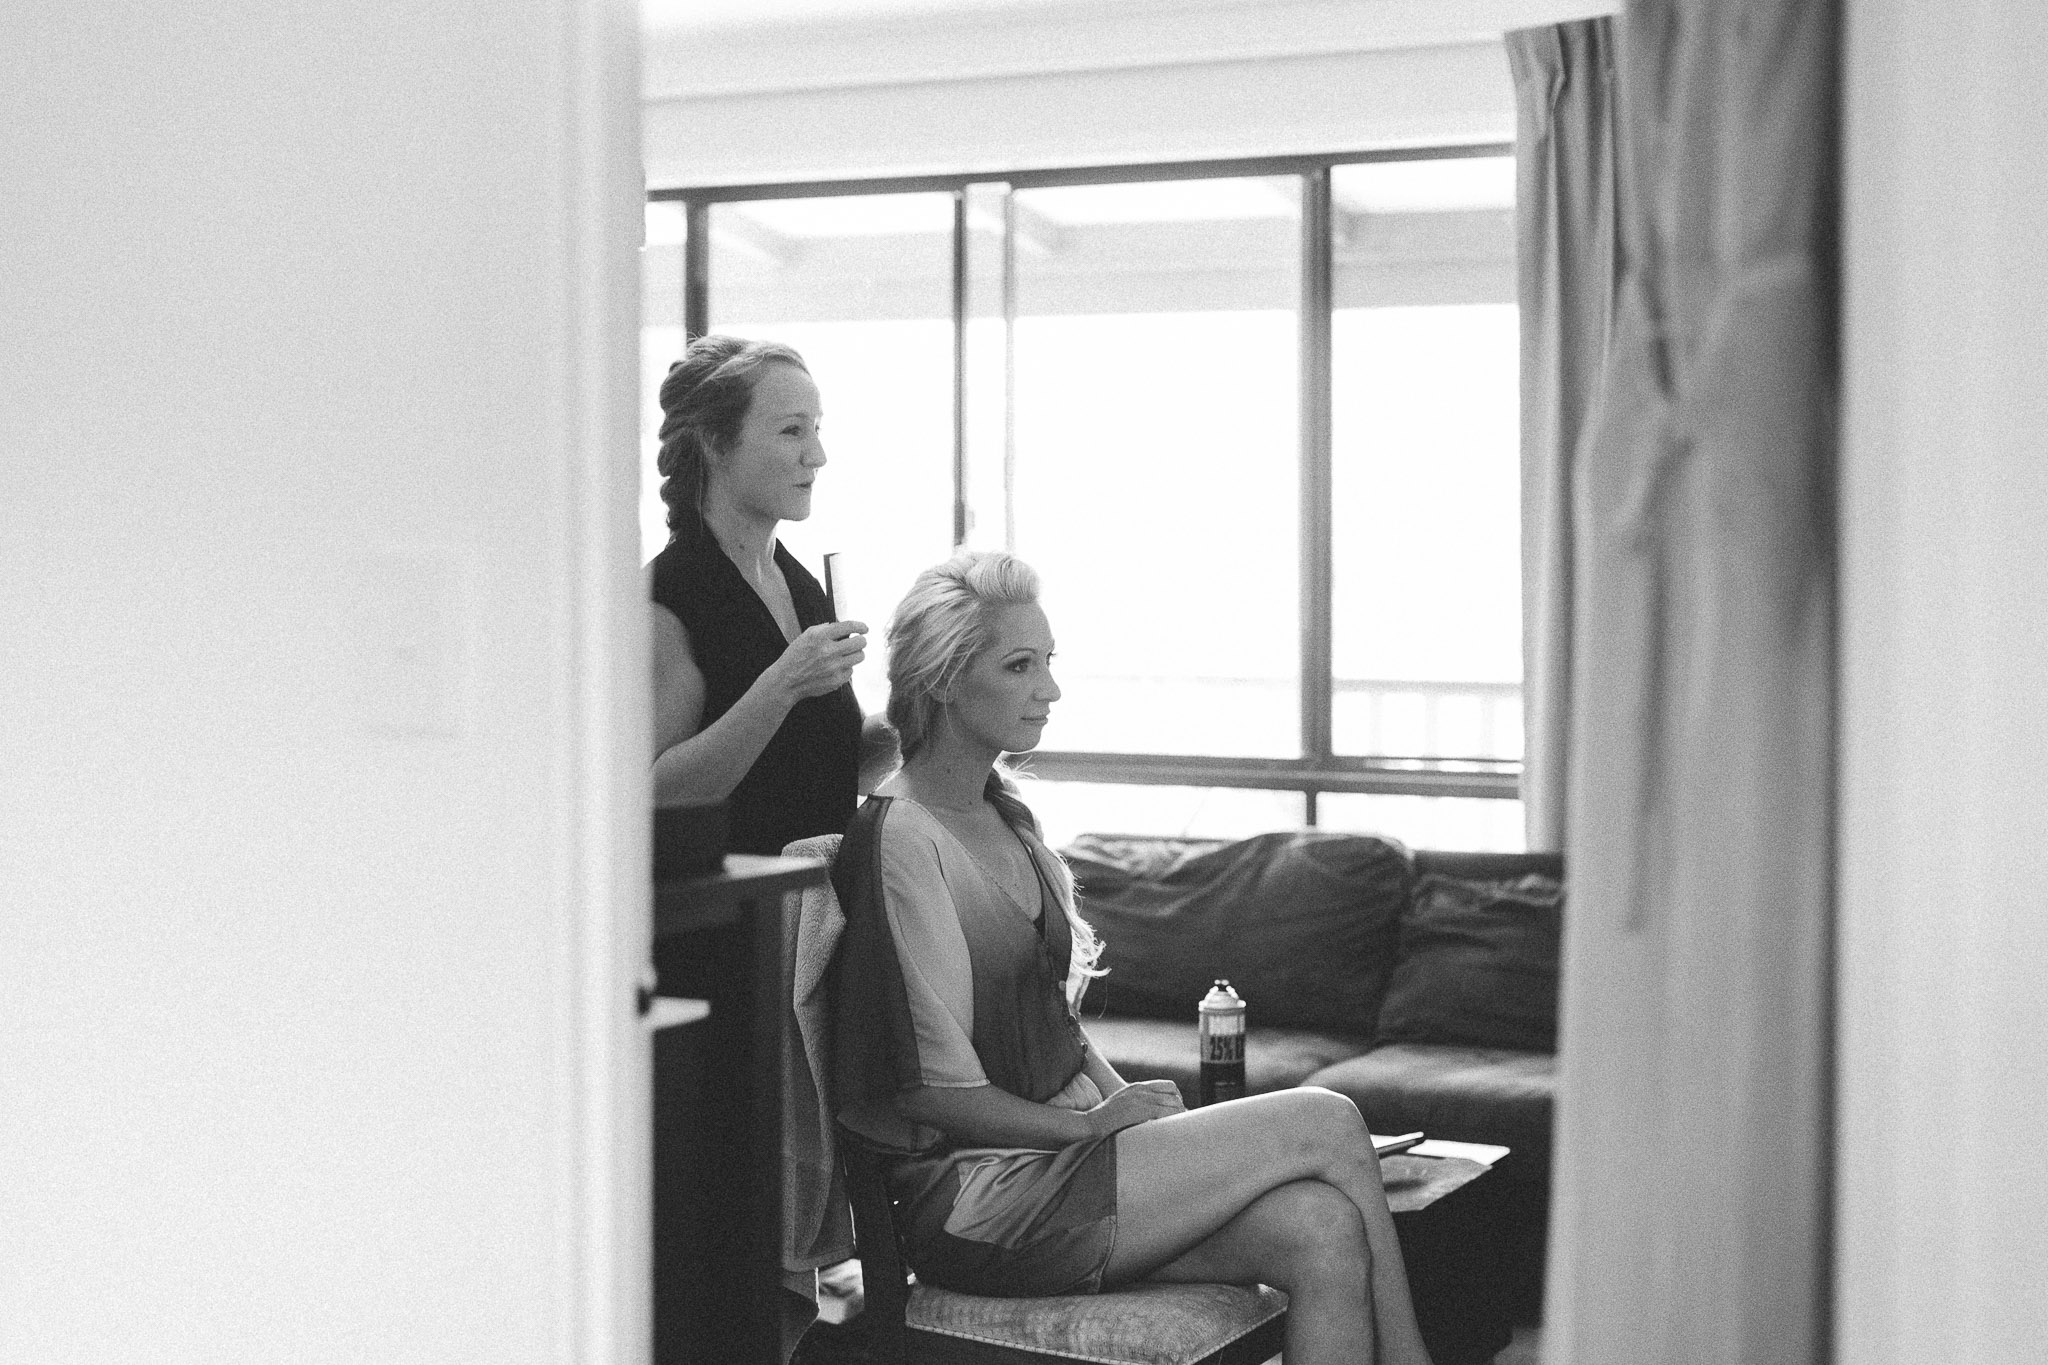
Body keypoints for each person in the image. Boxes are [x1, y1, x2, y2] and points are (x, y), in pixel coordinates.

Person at [828, 551, 1435, 1365]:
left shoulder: (1006, 817)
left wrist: (1139, 1116)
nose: (1050, 688)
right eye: (1020, 665)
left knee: (1321, 1228)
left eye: (1048, 660)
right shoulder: (901, 837)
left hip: (1058, 1168)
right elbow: (930, 1090)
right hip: (976, 1202)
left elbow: (1059, 1033)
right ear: (943, 681)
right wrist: (1085, 1125)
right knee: (1328, 1115)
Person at [648, 336, 867, 985]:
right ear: (715, 443)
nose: (817, 455)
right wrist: (783, 684)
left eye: (817, 429)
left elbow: (814, 764)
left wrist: (924, 715)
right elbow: (654, 798)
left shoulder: (800, 585)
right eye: (792, 430)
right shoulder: (665, 598)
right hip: (718, 946)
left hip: (813, 931)